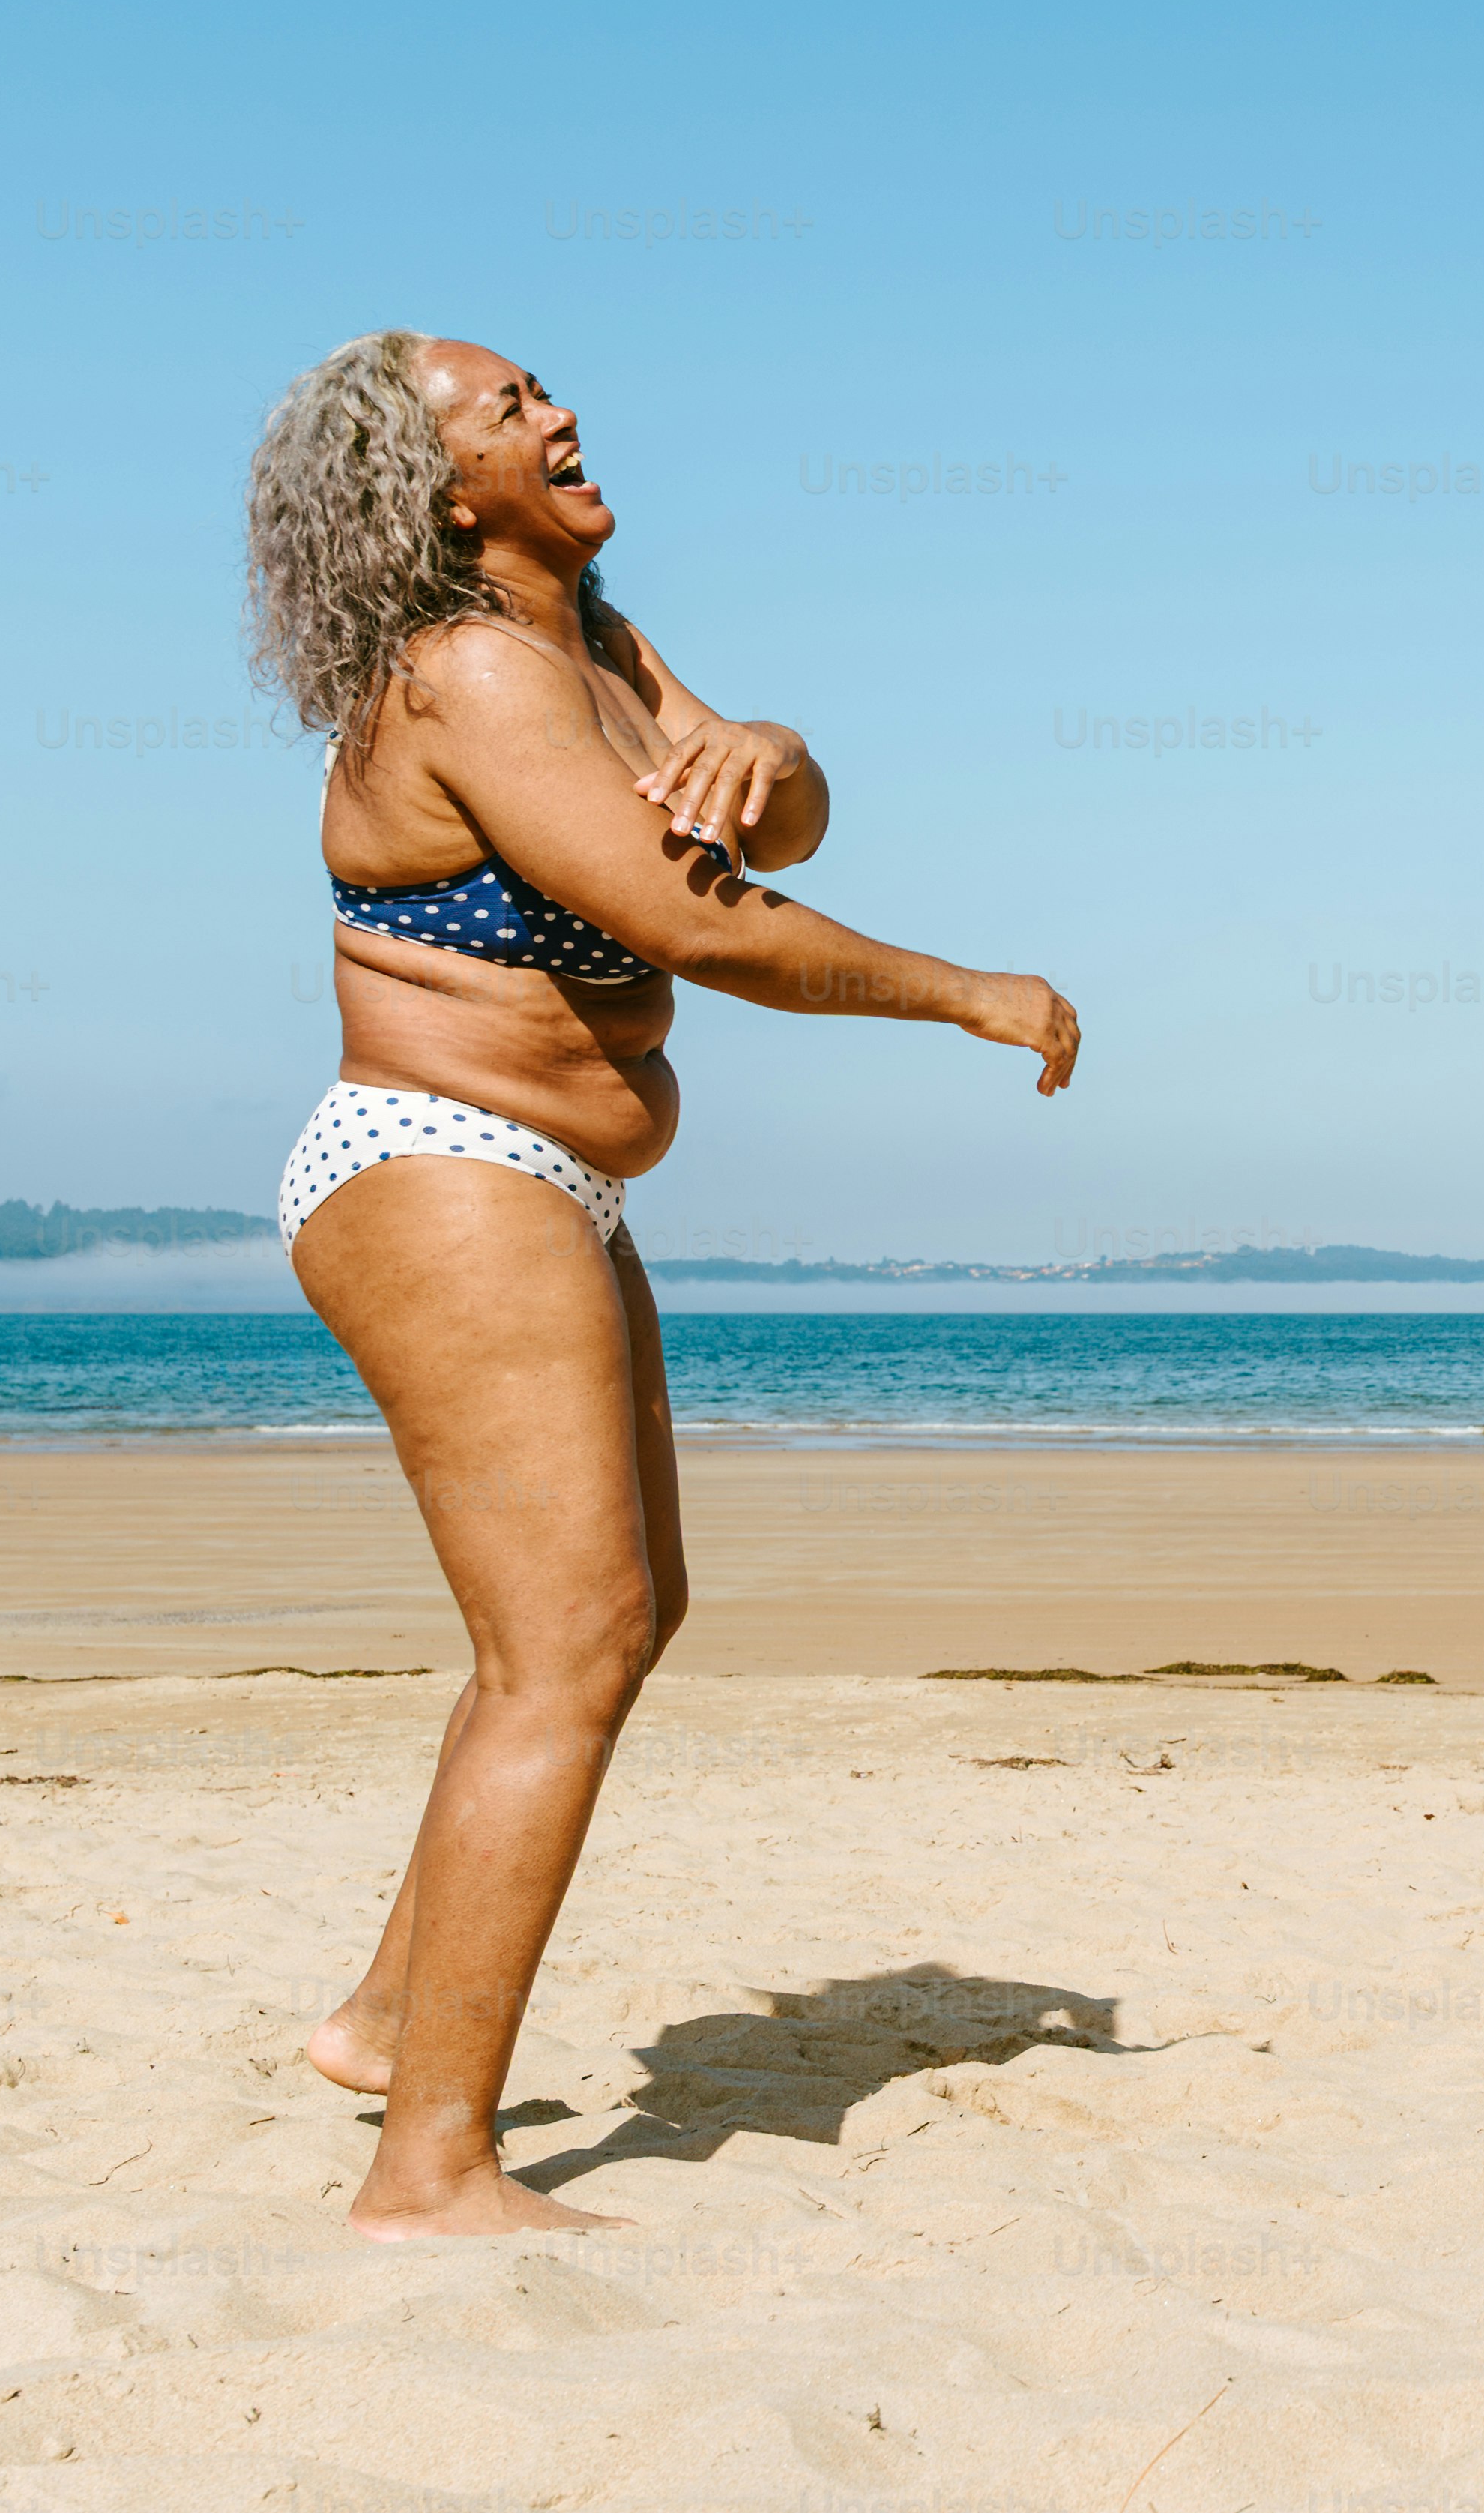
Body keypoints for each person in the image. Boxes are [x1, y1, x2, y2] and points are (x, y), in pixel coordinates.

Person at [241, 330, 1079, 2239]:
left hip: (537, 1183)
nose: (556, 412)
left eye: (546, 386)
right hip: (434, 1168)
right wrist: (966, 990)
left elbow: (758, 824)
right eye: (506, 406)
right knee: (572, 1645)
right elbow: (692, 921)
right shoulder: (463, 669)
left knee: (617, 1616)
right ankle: (430, 2169)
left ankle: (389, 2020)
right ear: (444, 490)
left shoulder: (593, 633)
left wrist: (775, 753)